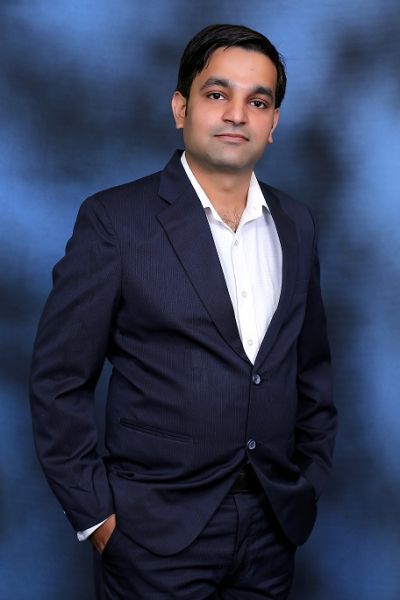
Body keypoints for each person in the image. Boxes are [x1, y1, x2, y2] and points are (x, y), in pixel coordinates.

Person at [30, 23, 337, 599]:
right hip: (152, 536)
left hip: (272, 530)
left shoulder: (297, 224)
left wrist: (309, 481)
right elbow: (58, 381)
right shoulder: (115, 221)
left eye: (258, 102)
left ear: (274, 123)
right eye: (217, 94)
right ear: (181, 108)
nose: (236, 115)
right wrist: (99, 519)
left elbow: (312, 371)